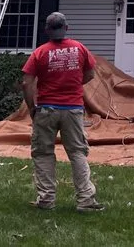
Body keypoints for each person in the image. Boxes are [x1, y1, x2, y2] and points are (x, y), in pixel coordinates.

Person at [21, 12, 104, 213]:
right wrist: (74, 83)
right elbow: (90, 74)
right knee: (77, 152)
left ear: (47, 30)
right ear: (66, 28)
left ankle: (46, 199)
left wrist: (32, 107)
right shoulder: (80, 49)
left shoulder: (39, 53)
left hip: (47, 109)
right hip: (73, 109)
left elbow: (26, 82)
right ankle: (85, 200)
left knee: (43, 153)